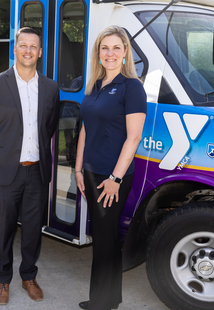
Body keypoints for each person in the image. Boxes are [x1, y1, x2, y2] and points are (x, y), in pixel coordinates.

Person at [0, 27, 60, 305]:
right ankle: (3, 279)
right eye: (22, 45)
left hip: (37, 171)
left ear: (40, 52)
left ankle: (29, 275)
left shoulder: (50, 87)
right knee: (3, 228)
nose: (28, 50)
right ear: (15, 49)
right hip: (5, 172)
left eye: (33, 46)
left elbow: (49, 126)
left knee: (33, 228)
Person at [75, 25, 147, 310]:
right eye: (105, 47)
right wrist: (79, 169)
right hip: (91, 173)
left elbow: (134, 137)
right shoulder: (94, 84)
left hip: (112, 177)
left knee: (104, 240)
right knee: (104, 237)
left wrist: (116, 178)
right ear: (98, 52)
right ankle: (108, 299)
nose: (110, 53)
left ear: (125, 52)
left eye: (116, 47)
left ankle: (101, 304)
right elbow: (84, 129)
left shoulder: (132, 87)